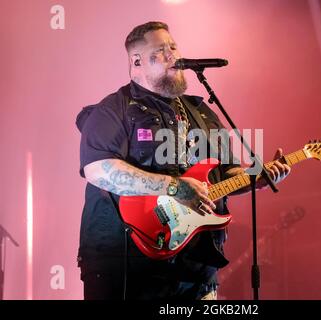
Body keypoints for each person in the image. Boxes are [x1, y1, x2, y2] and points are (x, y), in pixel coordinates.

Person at [75, 21, 291, 300]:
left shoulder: (201, 111)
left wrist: (255, 179)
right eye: (161, 50)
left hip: (196, 268)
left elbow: (224, 174)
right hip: (127, 266)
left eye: (173, 47)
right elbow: (98, 169)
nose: (172, 55)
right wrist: (174, 187)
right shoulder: (112, 110)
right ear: (136, 60)